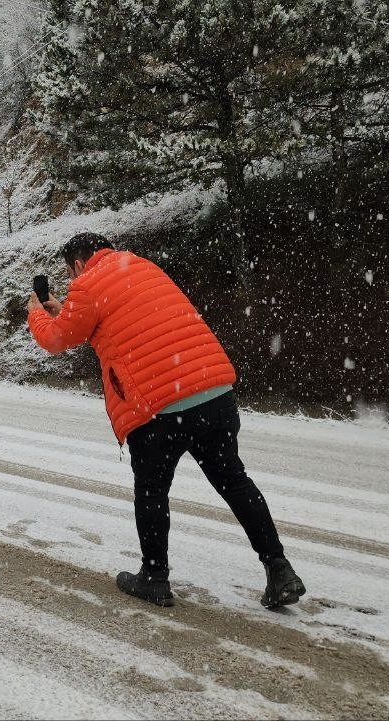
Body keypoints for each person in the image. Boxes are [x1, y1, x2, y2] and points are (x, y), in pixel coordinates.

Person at [27, 232, 306, 609]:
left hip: (160, 406)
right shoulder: (143, 267)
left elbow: (58, 339)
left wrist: (36, 312)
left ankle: (155, 578)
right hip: (213, 390)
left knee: (152, 489)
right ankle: (279, 568)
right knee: (234, 481)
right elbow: (117, 325)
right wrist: (68, 311)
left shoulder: (86, 284)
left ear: (77, 263)